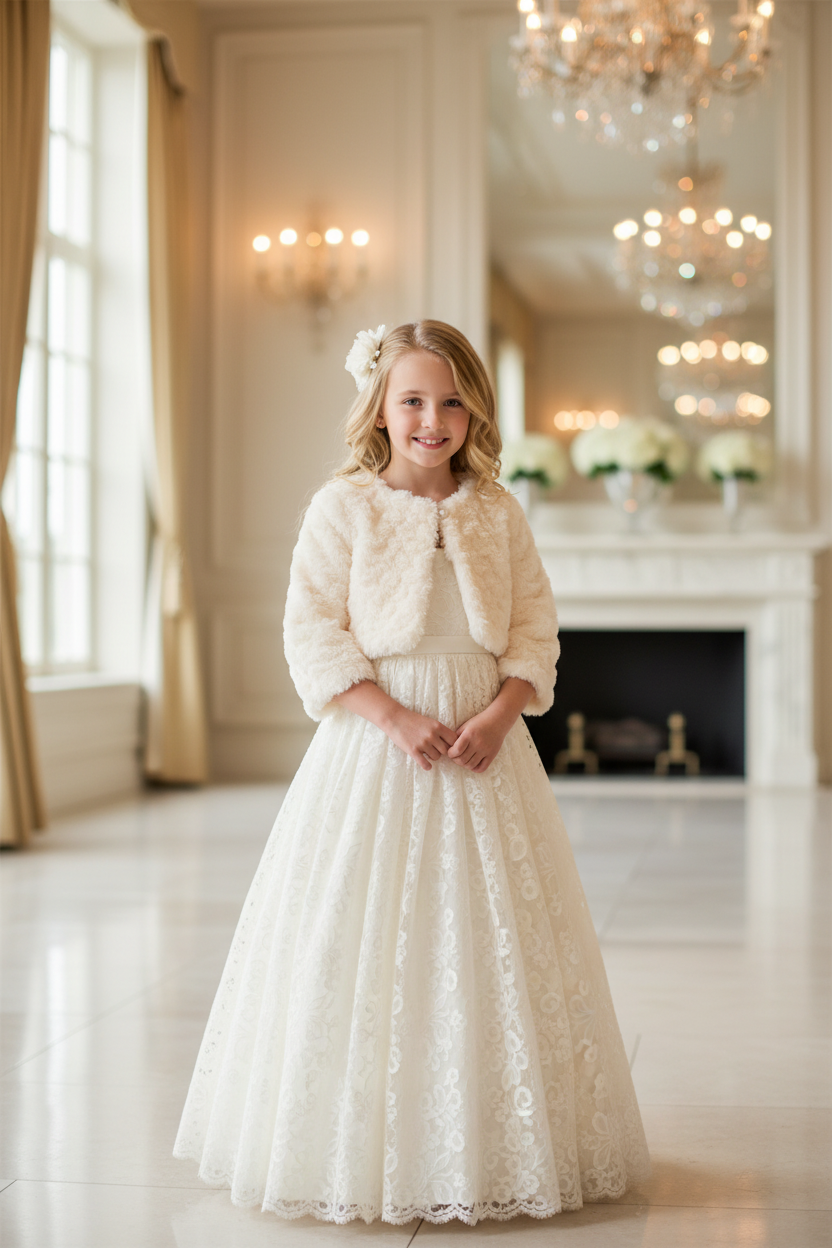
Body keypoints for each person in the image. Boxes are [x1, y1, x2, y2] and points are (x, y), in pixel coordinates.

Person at [173, 320, 650, 1224]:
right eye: (414, 401)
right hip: (378, 741)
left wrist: (501, 714)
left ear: (476, 413)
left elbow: (534, 630)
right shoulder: (342, 507)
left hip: (484, 742)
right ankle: (362, 1145)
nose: (434, 420)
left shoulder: (497, 512)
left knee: (485, 937)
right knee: (368, 934)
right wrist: (391, 716)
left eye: (453, 402)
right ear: (381, 409)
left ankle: (487, 1140)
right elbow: (312, 629)